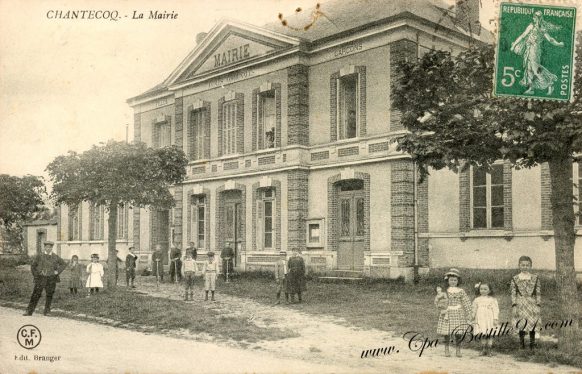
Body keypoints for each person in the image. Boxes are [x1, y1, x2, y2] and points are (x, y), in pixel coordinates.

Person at [511, 10, 564, 95]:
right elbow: (523, 36)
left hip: (535, 49)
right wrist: (514, 45)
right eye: (534, 17)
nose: (535, 19)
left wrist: (558, 44)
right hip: (528, 49)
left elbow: (550, 39)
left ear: (539, 18)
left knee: (536, 69)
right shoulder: (531, 26)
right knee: (528, 68)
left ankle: (550, 85)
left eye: (536, 17)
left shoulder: (542, 28)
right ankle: (531, 89)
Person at [24, 241, 67, 316]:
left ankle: (47, 311)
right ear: (44, 247)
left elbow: (63, 264)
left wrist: (57, 272)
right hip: (40, 278)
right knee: (36, 294)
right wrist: (36, 275)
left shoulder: (55, 256)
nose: (48, 248)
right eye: (47, 247)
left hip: (51, 278)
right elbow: (33, 266)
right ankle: (29, 311)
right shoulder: (39, 256)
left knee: (49, 295)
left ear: (52, 248)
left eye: (50, 247)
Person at [436, 268, 471, 357]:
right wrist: (441, 308)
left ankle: (458, 349)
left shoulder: (461, 291)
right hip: (447, 313)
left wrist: (469, 313)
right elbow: (438, 301)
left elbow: (466, 302)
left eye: (455, 280)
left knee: (458, 332)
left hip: (458, 313)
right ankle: (446, 349)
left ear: (458, 281)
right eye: (451, 280)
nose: (453, 282)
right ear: (447, 280)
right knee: (446, 332)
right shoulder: (444, 291)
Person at [511, 255, 541, 350]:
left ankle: (532, 344)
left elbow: (538, 292)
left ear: (530, 266)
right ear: (519, 266)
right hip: (521, 303)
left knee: (532, 323)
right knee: (521, 323)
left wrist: (538, 304)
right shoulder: (515, 278)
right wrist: (514, 304)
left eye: (527, 265)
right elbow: (513, 292)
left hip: (532, 303)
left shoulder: (535, 278)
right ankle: (522, 344)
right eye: (523, 265)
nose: (525, 267)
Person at [472, 282, 499, 356]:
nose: (483, 291)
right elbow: (474, 308)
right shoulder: (477, 299)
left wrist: (495, 318)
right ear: (479, 290)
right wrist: (473, 316)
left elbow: (495, 309)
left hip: (489, 318)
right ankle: (483, 349)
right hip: (480, 319)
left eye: (485, 289)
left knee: (490, 334)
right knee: (482, 333)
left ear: (489, 290)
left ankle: (489, 350)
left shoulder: (492, 299)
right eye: (481, 289)